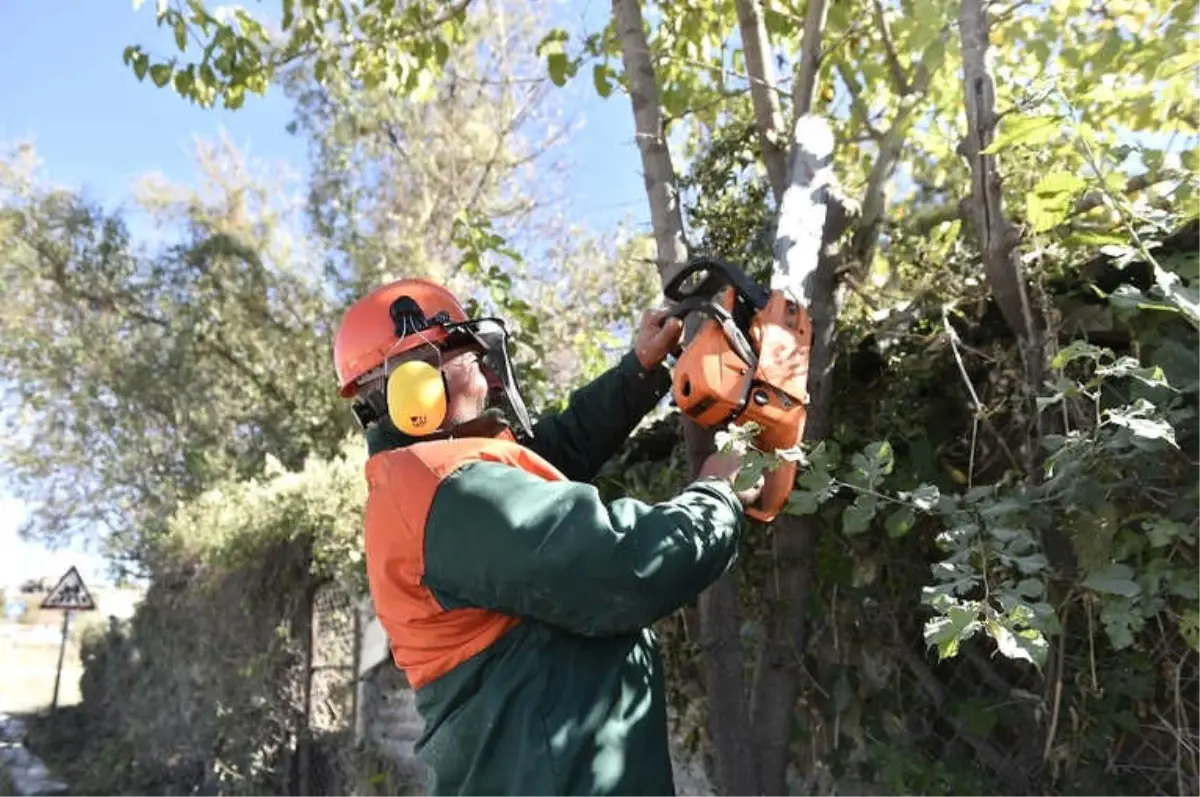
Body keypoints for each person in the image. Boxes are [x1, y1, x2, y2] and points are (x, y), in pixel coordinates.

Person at [332, 277, 761, 796]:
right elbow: (622, 567)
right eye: (471, 357)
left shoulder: (426, 474)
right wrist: (717, 495)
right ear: (418, 383)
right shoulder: (446, 494)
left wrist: (637, 373)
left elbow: (548, 458)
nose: (490, 377)